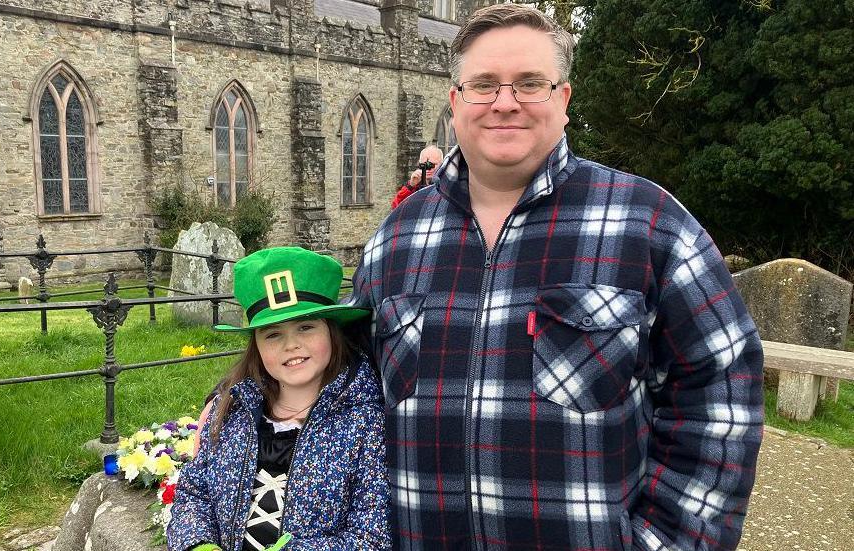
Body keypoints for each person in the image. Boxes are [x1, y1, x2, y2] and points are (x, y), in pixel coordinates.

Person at [348, 4, 764, 550]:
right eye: (483, 85)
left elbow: (721, 390)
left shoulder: (647, 223)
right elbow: (347, 393)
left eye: (529, 83)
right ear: (455, 102)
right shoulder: (395, 240)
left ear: (563, 99)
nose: (504, 102)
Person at [168, 247, 391, 551]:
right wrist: (198, 544)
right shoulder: (234, 410)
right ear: (256, 346)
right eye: (272, 334)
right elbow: (194, 494)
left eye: (306, 327)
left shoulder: (366, 421)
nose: (291, 344)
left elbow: (373, 534)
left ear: (332, 331)